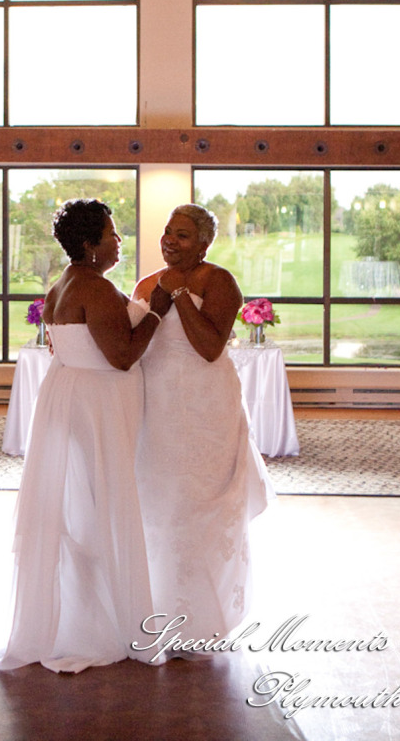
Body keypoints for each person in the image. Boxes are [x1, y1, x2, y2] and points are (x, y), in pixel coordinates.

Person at [0, 198, 171, 673]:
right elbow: (122, 356)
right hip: (98, 407)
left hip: (73, 398)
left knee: (81, 506)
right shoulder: (95, 287)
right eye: (111, 234)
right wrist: (155, 313)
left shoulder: (62, 283)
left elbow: (67, 346)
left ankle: (80, 611)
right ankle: (102, 622)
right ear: (91, 244)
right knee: (102, 502)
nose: (119, 240)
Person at [132, 203, 272, 654]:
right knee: (158, 505)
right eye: (167, 231)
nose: (170, 240)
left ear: (204, 244)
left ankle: (200, 619)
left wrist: (176, 296)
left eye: (183, 235)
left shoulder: (219, 281)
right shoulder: (145, 284)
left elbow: (210, 347)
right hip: (157, 407)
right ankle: (156, 607)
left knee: (197, 506)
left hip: (206, 407)